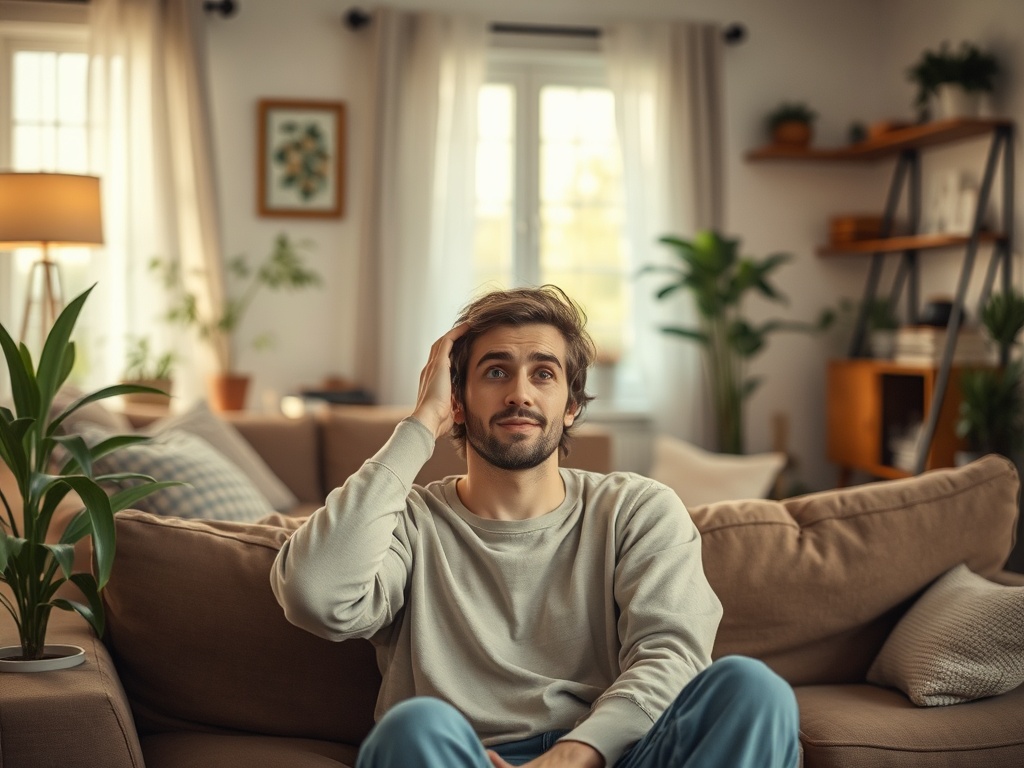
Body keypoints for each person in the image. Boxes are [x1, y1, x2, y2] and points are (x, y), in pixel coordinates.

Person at [271, 285, 799, 768]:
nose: (519, 394)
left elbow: (673, 655)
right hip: (463, 758)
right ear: (458, 400)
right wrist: (419, 426)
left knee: (752, 689)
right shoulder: (408, 523)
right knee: (414, 727)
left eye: (543, 373)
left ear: (571, 405)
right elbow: (315, 595)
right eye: (495, 372)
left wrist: (581, 750)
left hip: (615, 756)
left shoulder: (637, 508)